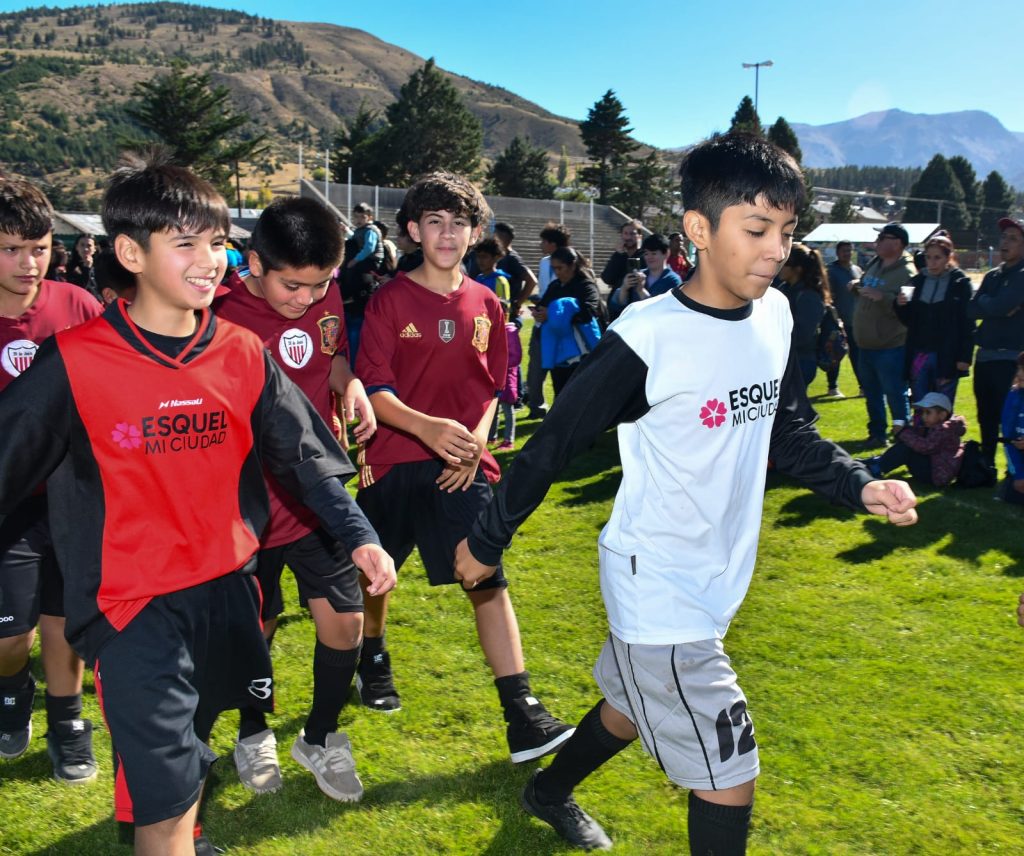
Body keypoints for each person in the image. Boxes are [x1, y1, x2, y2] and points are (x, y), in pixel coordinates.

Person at [453, 132, 919, 854]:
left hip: (716, 576)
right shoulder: (650, 338)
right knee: (730, 769)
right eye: (757, 229)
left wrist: (859, 486)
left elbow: (786, 427)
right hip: (658, 583)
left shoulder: (777, 314)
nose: (775, 249)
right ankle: (551, 789)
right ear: (699, 230)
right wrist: (485, 540)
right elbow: (553, 443)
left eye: (787, 232)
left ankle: (547, 790)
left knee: (629, 706)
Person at [0, 155, 396, 855]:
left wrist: (358, 534)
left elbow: (303, 457)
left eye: (217, 242)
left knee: (191, 748)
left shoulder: (242, 352)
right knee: (168, 789)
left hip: (226, 595)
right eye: (186, 243)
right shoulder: (75, 361)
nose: (211, 259)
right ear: (130, 252)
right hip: (131, 608)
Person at [353, 171, 573, 764]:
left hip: (461, 466)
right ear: (412, 230)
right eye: (434, 222)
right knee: (376, 577)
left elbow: (492, 388)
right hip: (394, 459)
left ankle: (522, 713)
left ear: (476, 232)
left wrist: (474, 445)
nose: (446, 234)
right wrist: (428, 430)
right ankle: (371, 654)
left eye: (458, 223)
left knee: (484, 573)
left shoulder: (487, 301)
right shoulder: (389, 300)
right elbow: (374, 391)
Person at [213, 196, 379, 802]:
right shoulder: (217, 310)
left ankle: (321, 736)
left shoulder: (322, 295)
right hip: (245, 504)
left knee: (345, 622)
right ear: (253, 261)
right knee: (256, 626)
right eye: (292, 285)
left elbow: (332, 362)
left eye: (320, 285)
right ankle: (253, 729)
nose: (305, 300)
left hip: (315, 494)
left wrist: (353, 385)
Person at [0, 177, 103, 786]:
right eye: (10, 249)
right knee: (11, 636)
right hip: (6, 502)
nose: (28, 263)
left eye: (37, 247)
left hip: (71, 495)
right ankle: (13, 689)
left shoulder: (77, 306)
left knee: (66, 620)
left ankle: (68, 719)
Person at [894, 231, 973, 410]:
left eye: (937, 257)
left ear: (948, 257)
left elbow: (967, 323)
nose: (932, 262)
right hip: (920, 352)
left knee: (942, 406)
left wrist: (964, 357)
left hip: (947, 355)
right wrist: (900, 304)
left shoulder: (960, 283)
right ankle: (919, 438)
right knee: (920, 403)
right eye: (928, 257)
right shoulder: (916, 281)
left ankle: (942, 438)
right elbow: (907, 319)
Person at [851, 223, 914, 445]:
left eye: (883, 237)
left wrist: (884, 297)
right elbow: (867, 286)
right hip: (865, 344)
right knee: (872, 394)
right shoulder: (874, 263)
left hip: (890, 346)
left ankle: (903, 437)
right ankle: (877, 434)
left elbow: (910, 306)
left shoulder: (908, 273)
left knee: (895, 393)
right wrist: (856, 285)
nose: (877, 241)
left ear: (897, 243)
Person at [969, 216, 1024, 470]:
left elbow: (999, 305)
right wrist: (995, 305)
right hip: (985, 356)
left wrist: (990, 304)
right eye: (1003, 237)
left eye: (1013, 238)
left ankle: (1015, 472)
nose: (1005, 242)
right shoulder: (992, 275)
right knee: (986, 415)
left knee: (1011, 418)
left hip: (1011, 358)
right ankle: (987, 462)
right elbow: (972, 309)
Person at [532, 245, 602, 396]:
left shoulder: (585, 285)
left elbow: (589, 311)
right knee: (561, 395)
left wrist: (552, 314)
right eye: (554, 269)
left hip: (581, 353)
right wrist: (538, 312)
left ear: (572, 265)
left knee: (580, 396)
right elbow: (542, 305)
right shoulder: (555, 286)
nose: (557, 272)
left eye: (560, 268)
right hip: (558, 353)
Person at [862, 392, 966, 487]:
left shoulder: (944, 429)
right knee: (908, 443)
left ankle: (877, 468)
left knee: (907, 448)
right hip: (935, 469)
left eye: (928, 412)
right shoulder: (937, 426)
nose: (923, 417)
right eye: (923, 412)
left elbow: (926, 447)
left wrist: (902, 432)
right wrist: (907, 431)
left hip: (935, 476)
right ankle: (879, 462)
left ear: (942, 415)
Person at [529, 223, 572, 418]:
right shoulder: (545, 261)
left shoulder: (556, 261)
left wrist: (546, 306)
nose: (540, 245)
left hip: (553, 322)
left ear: (552, 244)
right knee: (540, 369)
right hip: (546, 319)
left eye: (543, 241)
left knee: (556, 369)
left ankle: (554, 409)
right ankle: (541, 408)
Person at [777, 243, 831, 388]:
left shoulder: (809, 296)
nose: (779, 266)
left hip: (800, 361)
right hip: (785, 360)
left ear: (798, 269)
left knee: (791, 409)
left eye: (784, 263)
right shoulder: (784, 289)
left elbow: (803, 334)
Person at [341, 202, 384, 364]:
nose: (358, 220)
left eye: (362, 217)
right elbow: (355, 240)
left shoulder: (371, 231)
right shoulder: (361, 231)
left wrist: (355, 260)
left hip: (370, 265)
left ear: (370, 218)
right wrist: (347, 232)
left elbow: (369, 248)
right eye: (356, 217)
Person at [607, 233, 682, 320]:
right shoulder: (638, 275)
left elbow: (662, 313)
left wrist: (641, 291)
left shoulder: (673, 281)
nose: (649, 257)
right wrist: (624, 288)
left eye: (653, 253)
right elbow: (617, 306)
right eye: (646, 254)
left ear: (666, 253)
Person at [825, 241, 862, 397]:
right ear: (838, 253)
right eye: (844, 251)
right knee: (835, 354)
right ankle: (832, 387)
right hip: (837, 321)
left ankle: (863, 386)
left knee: (857, 355)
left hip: (855, 321)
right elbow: (827, 294)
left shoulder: (857, 270)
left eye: (849, 250)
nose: (847, 253)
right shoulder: (831, 271)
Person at [494, 221, 539, 318]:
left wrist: (517, 304)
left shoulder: (512, 258)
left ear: (504, 237)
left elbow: (532, 281)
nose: (494, 238)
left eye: (496, 234)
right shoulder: (499, 257)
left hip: (507, 313)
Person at [999, 351, 1024, 505]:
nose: (1020, 373)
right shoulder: (1014, 395)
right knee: (1014, 491)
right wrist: (1019, 475)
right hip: (1020, 460)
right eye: (1019, 368)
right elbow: (1008, 439)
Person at [599, 219, 644, 290]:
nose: (629, 237)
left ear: (639, 237)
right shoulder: (619, 256)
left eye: (632, 234)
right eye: (625, 233)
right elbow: (607, 279)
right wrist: (618, 254)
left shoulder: (645, 256)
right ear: (621, 235)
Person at [473, 236, 511, 307]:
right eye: (478, 256)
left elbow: (505, 308)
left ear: (496, 257)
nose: (480, 260)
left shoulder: (500, 281)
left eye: (484, 257)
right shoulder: (479, 278)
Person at [66, 233, 99, 300]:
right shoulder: (70, 266)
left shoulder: (100, 265)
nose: (85, 249)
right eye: (82, 245)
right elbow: (79, 288)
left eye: (89, 246)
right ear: (77, 247)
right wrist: (87, 268)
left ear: (94, 248)